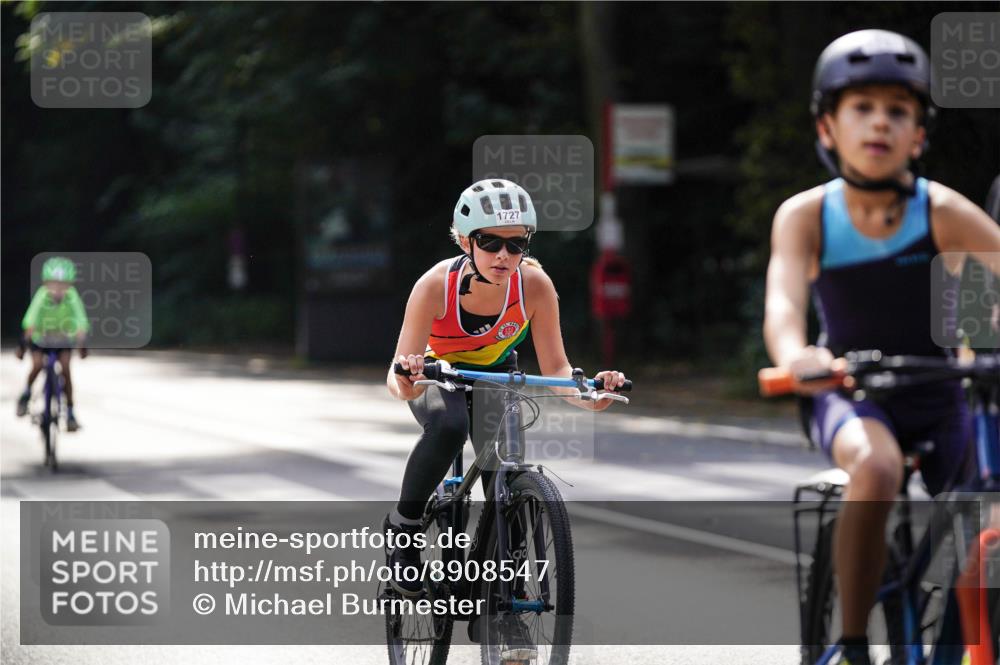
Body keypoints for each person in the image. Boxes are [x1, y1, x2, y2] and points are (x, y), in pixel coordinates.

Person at [762, 29, 1000, 665]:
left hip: (942, 392)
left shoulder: (944, 211)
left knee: (987, 503)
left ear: (919, 135)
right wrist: (797, 358)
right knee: (877, 469)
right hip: (849, 393)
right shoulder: (806, 215)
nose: (880, 123)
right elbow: (784, 306)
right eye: (861, 108)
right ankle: (851, 642)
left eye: (898, 110)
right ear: (827, 128)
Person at [385, 178, 626, 600]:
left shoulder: (534, 286)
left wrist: (592, 396)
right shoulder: (434, 286)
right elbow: (397, 374)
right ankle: (403, 530)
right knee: (449, 425)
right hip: (437, 374)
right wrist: (407, 382)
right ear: (465, 241)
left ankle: (506, 601)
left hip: (497, 375)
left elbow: (557, 369)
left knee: (503, 470)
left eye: (515, 245)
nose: (503, 255)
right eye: (490, 242)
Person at [16, 256, 90, 431]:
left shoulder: (72, 297)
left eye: (63, 285)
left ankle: (70, 411)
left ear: (70, 285)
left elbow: (80, 320)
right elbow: (30, 320)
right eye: (53, 284)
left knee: (65, 368)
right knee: (37, 365)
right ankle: (26, 394)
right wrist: (24, 343)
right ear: (46, 283)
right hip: (41, 339)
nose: (58, 289)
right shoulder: (42, 296)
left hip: (62, 339)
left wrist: (81, 340)